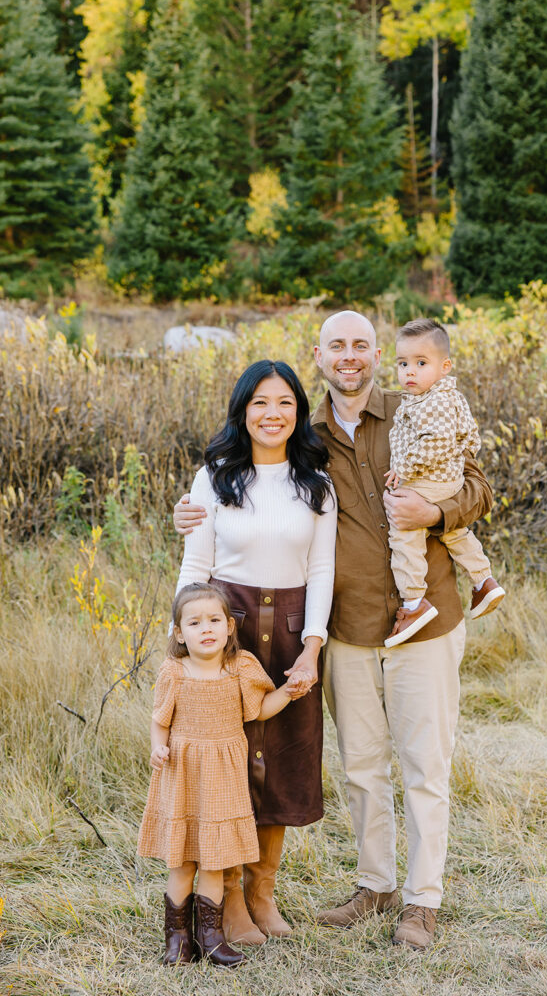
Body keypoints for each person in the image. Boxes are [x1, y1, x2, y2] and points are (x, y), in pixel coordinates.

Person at [174, 313, 492, 951]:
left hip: (422, 616)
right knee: (361, 764)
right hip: (346, 624)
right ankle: (375, 885)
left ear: (377, 355)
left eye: (361, 347)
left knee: (425, 765)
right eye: (336, 347)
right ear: (318, 355)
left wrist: (437, 510)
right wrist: (190, 511)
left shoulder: (416, 412)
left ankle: (422, 901)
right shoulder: (303, 436)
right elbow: (247, 500)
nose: (349, 358)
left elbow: (478, 485)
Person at [173, 359, 337, 947]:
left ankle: (265, 892)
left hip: (293, 630)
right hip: (228, 626)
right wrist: (189, 646)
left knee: (285, 761)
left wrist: (312, 646)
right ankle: (231, 895)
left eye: (286, 403)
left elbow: (322, 570)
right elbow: (196, 568)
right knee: (231, 764)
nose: (273, 414)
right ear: (243, 410)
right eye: (261, 403)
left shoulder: (316, 483)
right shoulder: (214, 478)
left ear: (299, 411)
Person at [137, 582, 309, 967]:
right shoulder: (174, 672)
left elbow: (260, 710)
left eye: (215, 620)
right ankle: (178, 941)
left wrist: (288, 692)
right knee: (182, 863)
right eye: (195, 623)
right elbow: (159, 719)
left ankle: (211, 937)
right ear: (180, 633)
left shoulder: (240, 668)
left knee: (215, 860)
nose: (207, 628)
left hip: (224, 778)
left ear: (230, 626)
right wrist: (157, 746)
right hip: (182, 775)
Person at [383, 318, 504, 647]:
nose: (410, 372)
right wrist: (460, 455)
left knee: (404, 531)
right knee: (455, 532)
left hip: (428, 481)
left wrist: (405, 468)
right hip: (447, 481)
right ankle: (483, 580)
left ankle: (413, 601)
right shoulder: (449, 397)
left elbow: (435, 441)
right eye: (403, 364)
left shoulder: (430, 401)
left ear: (444, 366)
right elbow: (468, 436)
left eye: (421, 364)